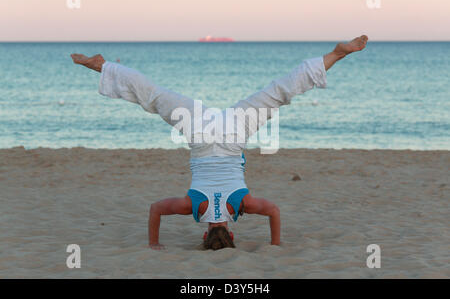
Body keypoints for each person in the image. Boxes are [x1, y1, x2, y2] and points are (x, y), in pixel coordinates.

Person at [71, 35, 368, 250]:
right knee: (155, 96)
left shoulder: (243, 205)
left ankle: (336, 55)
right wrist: (154, 243)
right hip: (200, 134)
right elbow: (156, 209)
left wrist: (275, 242)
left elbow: (274, 211)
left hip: (234, 133)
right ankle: (104, 67)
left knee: (278, 92)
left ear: (232, 234)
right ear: (204, 234)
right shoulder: (194, 207)